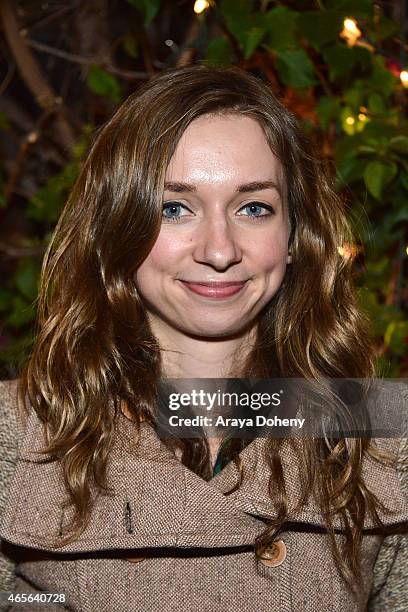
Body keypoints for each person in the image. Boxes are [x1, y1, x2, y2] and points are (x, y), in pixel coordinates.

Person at [0, 64, 407, 612]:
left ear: (294, 237)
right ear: (119, 228)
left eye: (254, 207)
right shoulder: (17, 439)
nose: (219, 251)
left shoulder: (376, 436)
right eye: (174, 208)